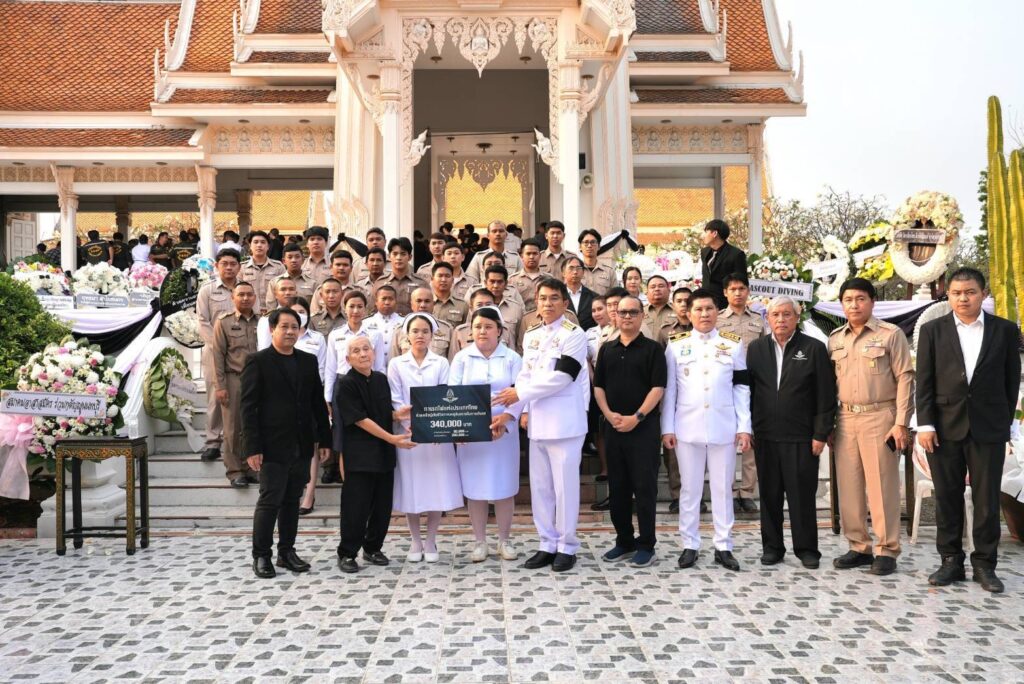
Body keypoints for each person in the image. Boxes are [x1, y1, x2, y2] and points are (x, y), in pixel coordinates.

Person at [916, 267, 1021, 593]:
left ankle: (984, 565)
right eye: (957, 293)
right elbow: (925, 381)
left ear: (983, 294)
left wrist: (1003, 426)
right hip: (943, 429)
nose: (964, 298)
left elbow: (1010, 381)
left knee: (987, 499)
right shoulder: (933, 330)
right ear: (947, 295)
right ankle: (951, 561)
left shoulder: (1004, 331)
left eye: (970, 292)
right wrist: (926, 424)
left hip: (988, 430)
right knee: (947, 498)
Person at [494, 278, 589, 572]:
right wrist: (511, 412)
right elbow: (524, 376)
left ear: (564, 303)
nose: (547, 304)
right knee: (542, 488)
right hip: (538, 424)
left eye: (554, 299)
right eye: (543, 298)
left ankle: (567, 546)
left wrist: (520, 393)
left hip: (565, 424)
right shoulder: (532, 335)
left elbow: (563, 377)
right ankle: (547, 543)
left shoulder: (574, 335)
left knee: (565, 489)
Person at [828, 277, 913, 576]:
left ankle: (887, 549)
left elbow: (905, 377)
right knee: (849, 486)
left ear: (872, 302)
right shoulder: (835, 339)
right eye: (848, 299)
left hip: (881, 417)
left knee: (881, 486)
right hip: (846, 418)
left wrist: (901, 422)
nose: (854, 304)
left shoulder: (891, 335)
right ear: (842, 304)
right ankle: (858, 546)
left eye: (860, 298)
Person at [661, 288, 751, 571]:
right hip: (687, 428)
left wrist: (744, 426)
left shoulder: (732, 344)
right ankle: (690, 544)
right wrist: (667, 428)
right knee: (689, 489)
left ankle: (723, 545)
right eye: (698, 309)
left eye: (709, 309)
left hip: (723, 427)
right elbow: (670, 391)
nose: (704, 314)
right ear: (688, 313)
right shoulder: (676, 345)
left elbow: (741, 388)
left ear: (717, 311)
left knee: (724, 489)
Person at [242, 308, 332, 578]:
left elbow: (318, 403)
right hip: (271, 444)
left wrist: (324, 439)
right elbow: (248, 407)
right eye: (285, 327)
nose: (291, 331)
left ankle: (287, 552)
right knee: (270, 499)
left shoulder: (306, 360)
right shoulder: (257, 361)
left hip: (302, 442)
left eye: (295, 326)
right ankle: (261, 555)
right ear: (272, 330)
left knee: (292, 500)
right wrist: (252, 447)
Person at [746, 296, 835, 569]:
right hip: (765, 435)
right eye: (776, 315)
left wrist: (820, 434)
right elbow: (748, 391)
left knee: (801, 496)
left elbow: (825, 394)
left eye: (787, 314)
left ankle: (807, 549)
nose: (781, 320)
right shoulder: (756, 349)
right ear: (767, 319)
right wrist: (747, 428)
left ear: (797, 318)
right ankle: (772, 547)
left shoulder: (814, 348)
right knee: (769, 495)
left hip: (802, 437)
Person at [594, 295, 667, 568]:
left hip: (643, 429)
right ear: (615, 316)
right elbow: (598, 386)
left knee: (644, 488)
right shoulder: (607, 349)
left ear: (641, 316)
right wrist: (609, 414)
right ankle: (624, 540)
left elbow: (658, 388)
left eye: (632, 312)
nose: (626, 317)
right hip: (614, 428)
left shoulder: (652, 350)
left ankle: (646, 544)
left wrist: (637, 417)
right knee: (619, 487)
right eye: (622, 312)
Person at [388, 313, 465, 562]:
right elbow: (396, 398)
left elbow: (444, 395)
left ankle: (431, 540)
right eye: (415, 331)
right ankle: (415, 541)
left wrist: (431, 425)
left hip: (436, 435)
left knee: (435, 486)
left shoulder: (441, 363)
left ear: (432, 335)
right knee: (411, 486)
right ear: (407, 335)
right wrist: (410, 424)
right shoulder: (396, 364)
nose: (420, 335)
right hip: (407, 434)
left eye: (425, 331)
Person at [450, 307, 524, 562]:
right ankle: (479, 541)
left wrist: (506, 419)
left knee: (504, 487)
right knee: (475, 488)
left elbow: (520, 393)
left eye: (488, 326)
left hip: (503, 432)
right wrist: (458, 427)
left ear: (500, 331)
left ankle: (504, 540)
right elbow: (452, 395)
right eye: (478, 326)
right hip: (472, 434)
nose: (482, 331)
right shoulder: (461, 358)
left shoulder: (513, 358)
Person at [716, 273, 766, 515]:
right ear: (725, 292)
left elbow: (767, 349)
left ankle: (746, 492)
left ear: (748, 292)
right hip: (724, 384)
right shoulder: (716, 320)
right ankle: (727, 489)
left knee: (749, 438)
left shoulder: (758, 320)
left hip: (754, 383)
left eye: (742, 289)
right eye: (733, 289)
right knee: (726, 437)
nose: (738, 293)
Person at [210, 281, 260, 487]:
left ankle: (250, 468)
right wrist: (220, 386)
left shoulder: (263, 322)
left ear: (255, 297)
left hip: (258, 380)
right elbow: (218, 356)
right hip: (234, 379)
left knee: (253, 425)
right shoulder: (224, 322)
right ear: (233, 298)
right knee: (232, 427)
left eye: (250, 294)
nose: (246, 298)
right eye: (241, 295)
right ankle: (235, 470)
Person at [196, 248, 242, 463]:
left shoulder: (245, 290)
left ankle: (237, 441)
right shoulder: (208, 291)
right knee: (216, 395)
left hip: (242, 352)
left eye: (233, 263)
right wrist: (219, 347)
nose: (229, 267)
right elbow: (202, 321)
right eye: (225, 263)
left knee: (241, 396)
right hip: (215, 350)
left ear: (239, 267)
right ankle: (213, 441)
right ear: (217, 266)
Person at [657, 286, 692, 514]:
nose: (683, 305)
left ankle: (694, 493)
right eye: (679, 300)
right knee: (673, 449)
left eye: (687, 301)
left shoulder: (706, 327)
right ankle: (678, 494)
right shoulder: (664, 331)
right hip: (673, 392)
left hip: (697, 395)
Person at [450, 288, 517, 359]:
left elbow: (512, 357)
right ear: (471, 309)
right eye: (479, 305)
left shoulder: (505, 331)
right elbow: (453, 360)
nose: (484, 308)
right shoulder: (460, 332)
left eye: (488, 304)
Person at [389, 286, 454, 359]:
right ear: (411, 304)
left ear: (433, 304)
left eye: (427, 301)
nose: (423, 305)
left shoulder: (447, 329)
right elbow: (394, 360)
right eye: (418, 301)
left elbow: (452, 362)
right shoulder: (400, 330)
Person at [699, 219, 747, 310]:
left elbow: (741, 280)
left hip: (724, 304)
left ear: (714, 233)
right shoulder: (704, 252)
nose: (703, 236)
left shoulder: (736, 254)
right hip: (706, 302)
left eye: (706, 232)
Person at [373, 237, 428, 316]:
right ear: (389, 256)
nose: (398, 258)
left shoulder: (421, 283)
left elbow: (427, 310)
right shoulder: (380, 283)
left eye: (403, 254)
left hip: (412, 326)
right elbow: (374, 310)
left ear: (410, 257)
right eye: (395, 254)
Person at [240, 230, 286, 314]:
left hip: (273, 314)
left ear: (268, 246)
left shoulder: (278, 267)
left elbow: (285, 291)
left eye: (263, 242)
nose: (259, 245)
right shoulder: (242, 268)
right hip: (249, 314)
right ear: (250, 246)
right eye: (256, 242)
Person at [311, 249, 363, 315]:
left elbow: (365, 316)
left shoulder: (359, 291)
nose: (341, 268)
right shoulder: (320, 290)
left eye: (345, 265)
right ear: (331, 267)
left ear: (351, 268)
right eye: (338, 265)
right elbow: (314, 316)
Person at [364, 285, 405, 368]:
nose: (387, 302)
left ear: (396, 301)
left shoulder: (404, 322)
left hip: (398, 370)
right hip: (373, 371)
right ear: (376, 301)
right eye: (384, 299)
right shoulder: (366, 323)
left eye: (390, 299)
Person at [509, 238, 546, 312]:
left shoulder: (549, 279)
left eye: (535, 253)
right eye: (528, 254)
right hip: (521, 319)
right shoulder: (512, 280)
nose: (531, 257)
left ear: (540, 255)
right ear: (521, 256)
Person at [430, 261, 469, 328]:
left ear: (453, 280)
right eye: (440, 276)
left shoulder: (463, 305)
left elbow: (465, 330)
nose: (443, 279)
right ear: (432, 279)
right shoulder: (424, 302)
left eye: (447, 276)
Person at [562, 256, 596, 330]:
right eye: (571, 268)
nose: (575, 272)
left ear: (583, 272)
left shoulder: (593, 297)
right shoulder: (558, 296)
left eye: (578, 268)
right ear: (563, 273)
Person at [578, 229, 615, 295]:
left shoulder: (609, 271)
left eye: (593, 242)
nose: (589, 246)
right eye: (586, 242)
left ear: (599, 247)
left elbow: (615, 295)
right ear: (580, 247)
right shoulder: (575, 270)